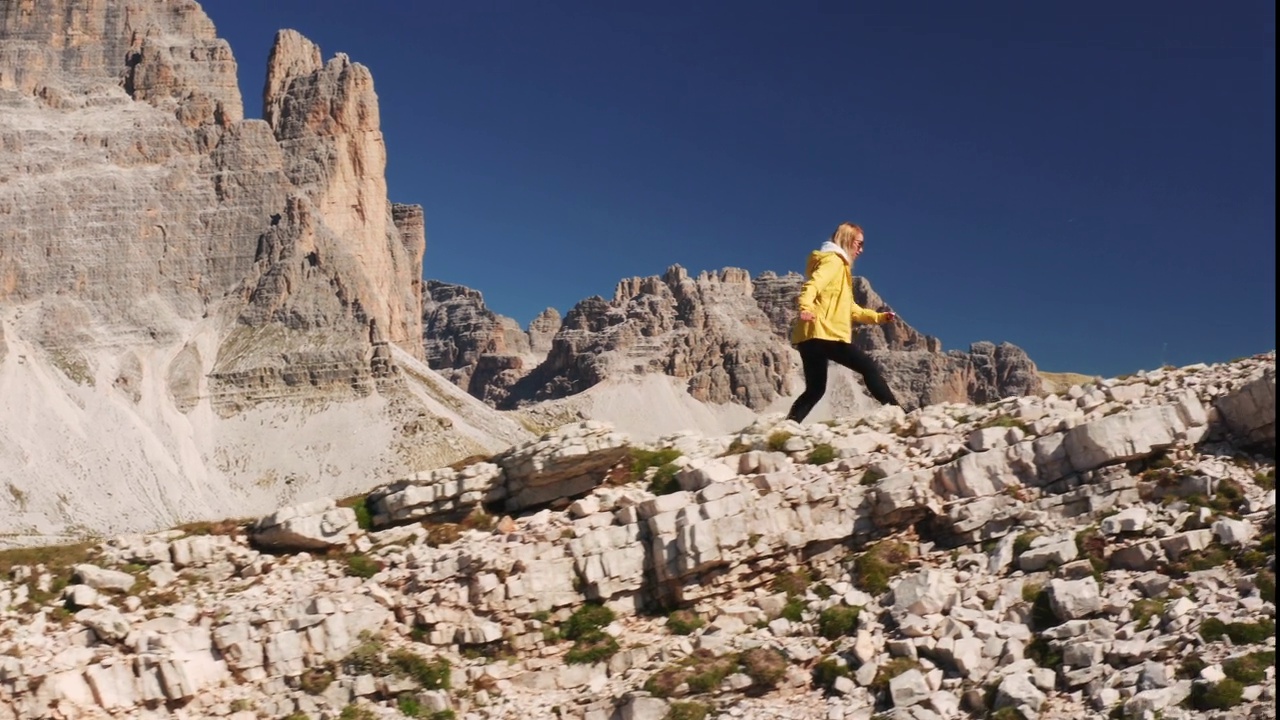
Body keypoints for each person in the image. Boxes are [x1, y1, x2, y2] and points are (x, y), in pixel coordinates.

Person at [785, 222, 901, 423]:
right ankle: (898, 413)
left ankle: (788, 426)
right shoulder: (834, 262)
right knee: (869, 368)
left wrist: (879, 318)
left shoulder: (838, 267)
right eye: (859, 244)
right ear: (847, 240)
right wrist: (805, 308)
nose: (861, 250)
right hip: (825, 333)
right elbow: (812, 285)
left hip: (808, 338)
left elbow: (852, 310)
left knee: (815, 390)